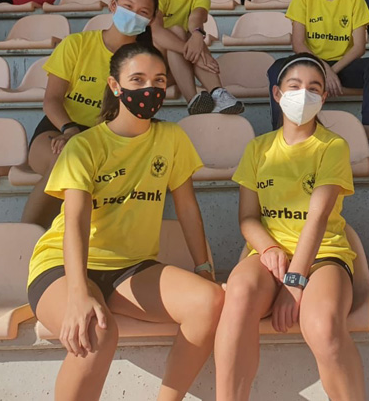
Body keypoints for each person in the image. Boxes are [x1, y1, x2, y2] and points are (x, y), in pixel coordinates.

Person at [26, 42, 224, 401]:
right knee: (96, 332)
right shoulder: (84, 146)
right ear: (115, 86)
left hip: (131, 268)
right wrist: (77, 295)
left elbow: (188, 209)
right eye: (138, 79)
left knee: (210, 301)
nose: (150, 88)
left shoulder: (172, 138)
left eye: (159, 80)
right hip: (62, 268)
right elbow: (75, 223)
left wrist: (204, 268)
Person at [215, 53, 365, 401]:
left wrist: (294, 282)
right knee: (237, 298)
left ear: (323, 97)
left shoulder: (333, 146)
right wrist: (268, 249)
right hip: (270, 256)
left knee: (323, 328)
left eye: (314, 88)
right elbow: (248, 218)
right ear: (277, 94)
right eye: (294, 86)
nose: (304, 94)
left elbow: (318, 217)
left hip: (323, 256)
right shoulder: (258, 148)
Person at [20, 0, 160, 228]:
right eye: (128, 6)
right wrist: (69, 130)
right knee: (67, 157)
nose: (133, 15)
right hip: (59, 128)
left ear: (150, 20)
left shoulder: (145, 61)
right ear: (113, 6)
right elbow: (51, 100)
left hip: (107, 139)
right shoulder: (76, 44)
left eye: (143, 12)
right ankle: (28, 237)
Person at [268, 0, 369, 162]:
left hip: (344, 64)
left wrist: (333, 70)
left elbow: (359, 47)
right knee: (277, 69)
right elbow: (298, 44)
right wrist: (324, 70)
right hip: (311, 63)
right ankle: (281, 136)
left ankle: (368, 141)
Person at [151, 0, 243, 115]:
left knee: (190, 35)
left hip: (177, 66)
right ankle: (197, 97)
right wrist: (197, 52)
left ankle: (215, 95)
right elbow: (155, 32)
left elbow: (196, 19)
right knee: (178, 31)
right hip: (154, 59)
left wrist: (197, 35)